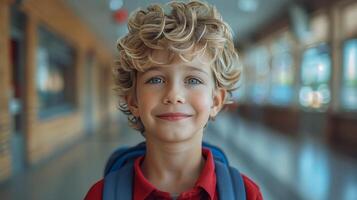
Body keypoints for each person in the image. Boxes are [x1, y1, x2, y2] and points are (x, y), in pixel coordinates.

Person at [85, 0, 263, 199]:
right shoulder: (100, 195)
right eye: (156, 79)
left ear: (215, 101)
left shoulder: (247, 194)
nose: (173, 95)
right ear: (133, 100)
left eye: (193, 80)